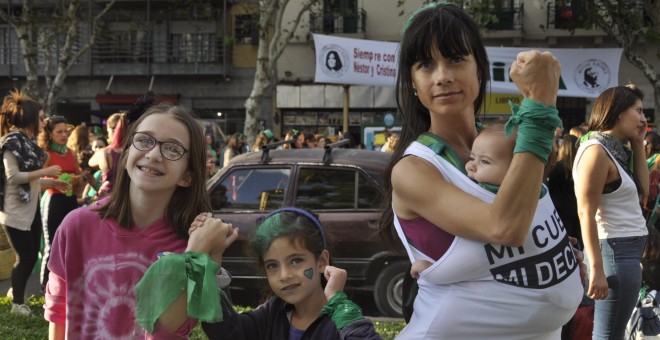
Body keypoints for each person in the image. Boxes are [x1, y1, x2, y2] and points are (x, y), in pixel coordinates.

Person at [379, 3, 583, 338]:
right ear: (413, 84)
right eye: (426, 65)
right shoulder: (413, 170)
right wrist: (541, 104)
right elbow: (504, 227)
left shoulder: (502, 144)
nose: (443, 76)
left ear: (479, 69)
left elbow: (524, 218)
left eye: (456, 59)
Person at [43, 103, 210, 338]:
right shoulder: (76, 226)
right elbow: (58, 312)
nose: (153, 155)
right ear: (126, 151)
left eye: (172, 149)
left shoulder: (190, 245)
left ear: (187, 176)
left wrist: (200, 254)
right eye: (144, 140)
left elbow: (174, 331)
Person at [195, 207, 381, 339]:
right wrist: (211, 264)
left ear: (322, 261)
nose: (284, 275)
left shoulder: (342, 323)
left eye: (296, 260)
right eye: (273, 266)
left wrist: (337, 302)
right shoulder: (272, 314)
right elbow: (226, 331)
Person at [573, 84, 649, 339]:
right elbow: (586, 212)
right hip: (614, 253)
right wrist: (596, 268)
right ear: (618, 112)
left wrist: (638, 143)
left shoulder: (614, 149)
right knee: (608, 335)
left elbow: (644, 191)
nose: (643, 118)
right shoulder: (596, 151)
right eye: (638, 111)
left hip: (623, 253)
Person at [0, 90, 68, 316]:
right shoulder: (11, 143)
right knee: (27, 257)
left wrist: (52, 182)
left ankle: (15, 292)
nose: (43, 122)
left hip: (29, 210)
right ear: (29, 119)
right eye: (40, 118)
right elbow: (14, 177)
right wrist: (46, 171)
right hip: (14, 212)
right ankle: (17, 304)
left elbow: (31, 180)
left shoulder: (26, 143)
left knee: (30, 255)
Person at [38, 115, 82, 290]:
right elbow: (37, 180)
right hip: (53, 200)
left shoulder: (71, 153)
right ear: (50, 134)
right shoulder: (46, 154)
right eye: (59, 132)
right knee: (52, 244)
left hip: (70, 200)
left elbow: (79, 176)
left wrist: (77, 179)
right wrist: (54, 180)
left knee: (71, 243)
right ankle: (44, 287)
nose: (64, 135)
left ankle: (65, 285)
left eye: (66, 131)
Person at [547, 134, 583, 249]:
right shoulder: (581, 166)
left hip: (560, 209)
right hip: (576, 207)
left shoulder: (558, 168)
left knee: (564, 241)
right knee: (577, 240)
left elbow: (549, 186)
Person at [88, 112, 126, 199]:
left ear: (112, 131)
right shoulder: (133, 151)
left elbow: (90, 163)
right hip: (127, 199)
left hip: (106, 198)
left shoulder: (104, 152)